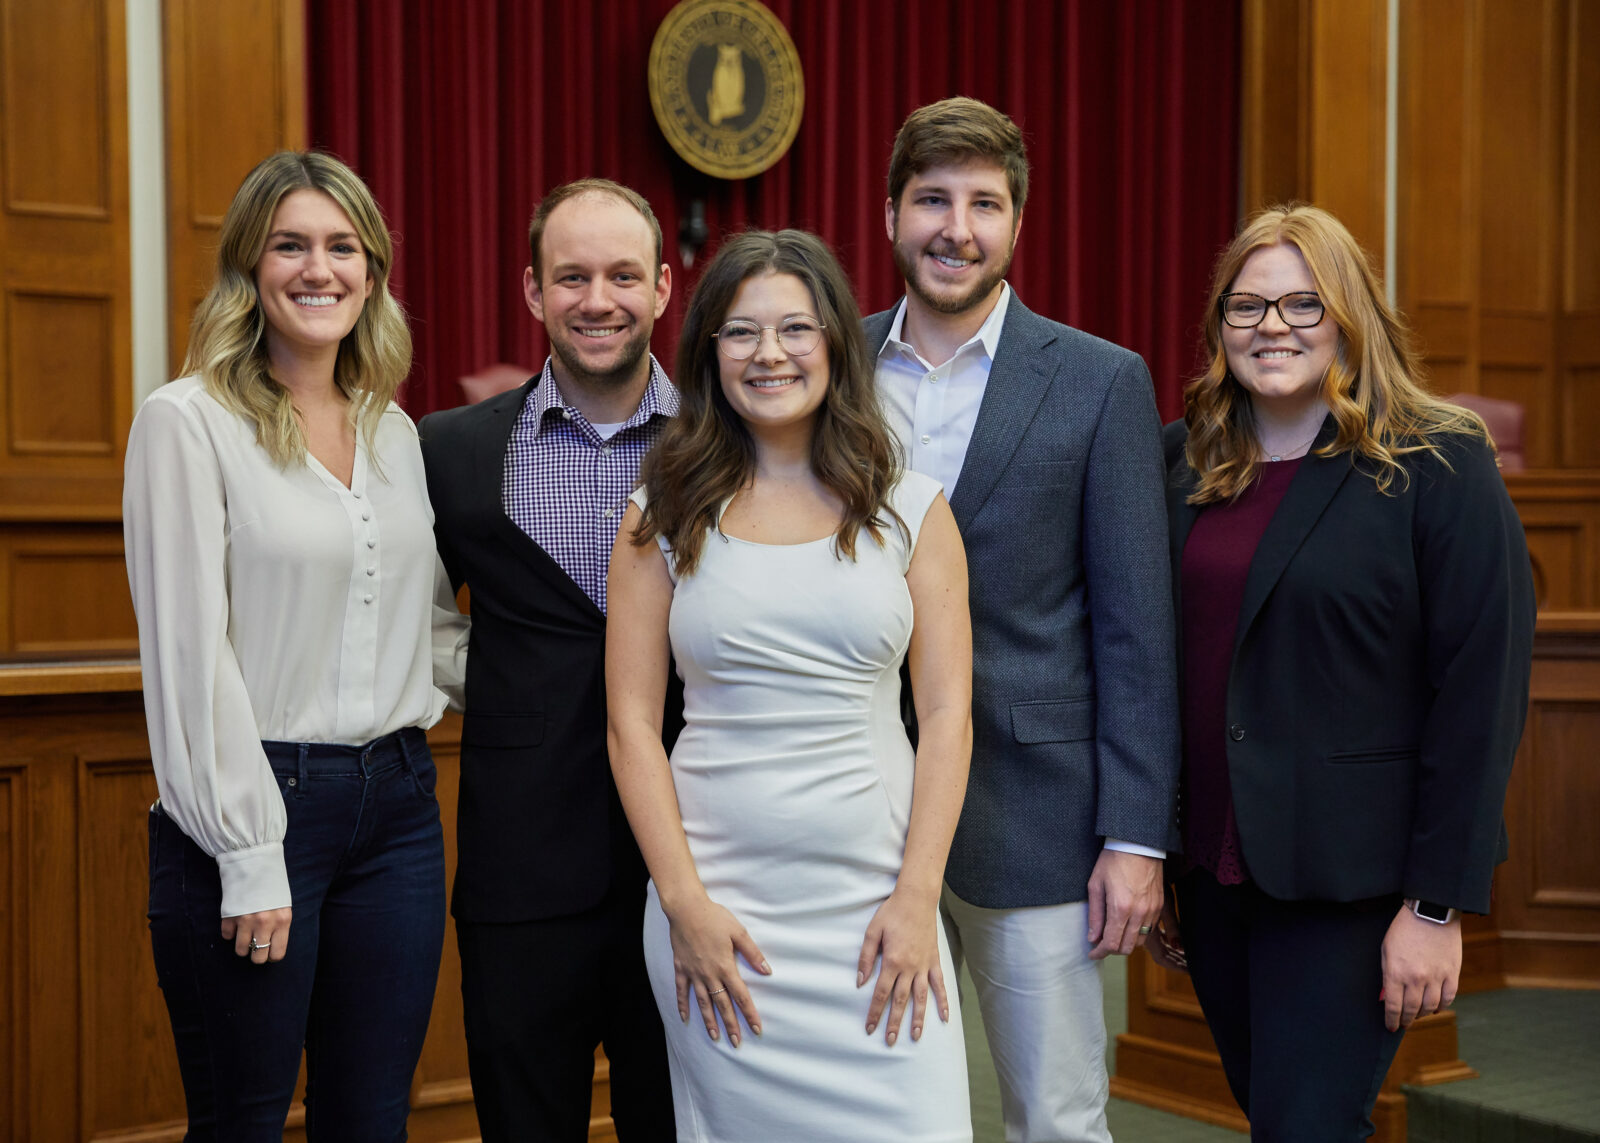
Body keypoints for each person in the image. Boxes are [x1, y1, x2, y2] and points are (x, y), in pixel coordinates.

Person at [1151, 203, 1536, 1141]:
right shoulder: (1182, 459)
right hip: (1212, 875)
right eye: (1247, 306)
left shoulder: (1436, 460)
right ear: (1220, 325)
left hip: (1353, 885)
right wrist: (1151, 847)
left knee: (1306, 1128)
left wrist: (1434, 906)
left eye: (1302, 304)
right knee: (1276, 1119)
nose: (1272, 327)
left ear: (1349, 316)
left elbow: (1480, 695)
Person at [123, 150, 469, 1142]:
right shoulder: (187, 422)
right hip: (261, 806)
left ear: (372, 271)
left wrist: (566, 677)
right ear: (250, 265)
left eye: (342, 247)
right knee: (244, 1122)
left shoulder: (394, 432)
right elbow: (190, 655)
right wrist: (247, 850)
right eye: (290, 246)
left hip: (399, 811)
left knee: (371, 1121)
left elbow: (426, 632)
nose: (319, 269)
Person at [607, 229, 975, 1142]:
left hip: (881, 912)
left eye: (795, 328)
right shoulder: (661, 514)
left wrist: (918, 895)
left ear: (836, 342)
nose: (769, 353)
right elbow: (630, 724)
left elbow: (946, 713)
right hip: (723, 918)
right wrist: (684, 905)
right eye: (741, 331)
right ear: (709, 353)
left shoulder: (912, 508)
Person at [864, 97, 1181, 1142]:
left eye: (984, 204)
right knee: (881, 1114)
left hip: (1036, 816)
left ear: (1016, 222)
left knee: (1055, 1117)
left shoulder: (1100, 381)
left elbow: (1136, 627)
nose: (956, 228)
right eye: (932, 200)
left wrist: (1135, 835)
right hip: (860, 809)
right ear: (890, 215)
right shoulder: (825, 367)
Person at [418, 178, 678, 1142]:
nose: (597, 299)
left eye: (623, 276)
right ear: (533, 291)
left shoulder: (732, 441)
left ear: (663, 287)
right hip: (519, 874)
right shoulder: (446, 450)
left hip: (695, 868)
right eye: (572, 277)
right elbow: (403, 619)